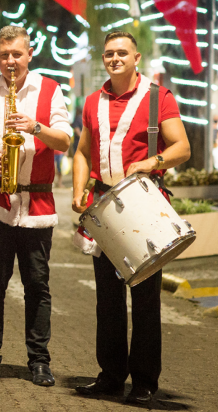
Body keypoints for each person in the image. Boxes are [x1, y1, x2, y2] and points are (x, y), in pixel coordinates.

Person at [71, 31, 190, 405]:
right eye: (109, 53)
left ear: (137, 57)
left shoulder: (158, 98)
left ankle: (144, 382)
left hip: (142, 203)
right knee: (106, 299)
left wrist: (149, 163)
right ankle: (110, 376)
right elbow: (82, 152)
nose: (115, 58)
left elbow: (182, 147)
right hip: (104, 205)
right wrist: (79, 189)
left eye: (122, 52)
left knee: (144, 297)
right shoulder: (94, 101)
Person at [0, 25, 72, 387]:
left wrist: (35, 126)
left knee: (38, 286)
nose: (10, 62)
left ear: (29, 54)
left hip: (39, 202)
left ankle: (39, 361)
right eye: (3, 56)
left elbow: (65, 141)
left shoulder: (50, 89)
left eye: (16, 54)